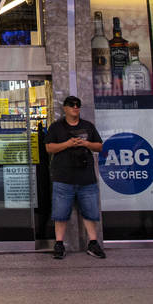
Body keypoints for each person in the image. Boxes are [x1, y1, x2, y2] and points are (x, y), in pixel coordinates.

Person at [44, 95, 105, 260]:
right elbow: (49, 147)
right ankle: (59, 243)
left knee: (90, 212)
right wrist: (68, 144)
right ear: (65, 108)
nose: (75, 108)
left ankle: (93, 242)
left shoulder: (88, 126)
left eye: (77, 105)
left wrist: (86, 144)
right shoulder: (56, 127)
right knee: (60, 213)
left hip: (86, 177)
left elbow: (99, 146)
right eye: (71, 105)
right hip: (63, 177)